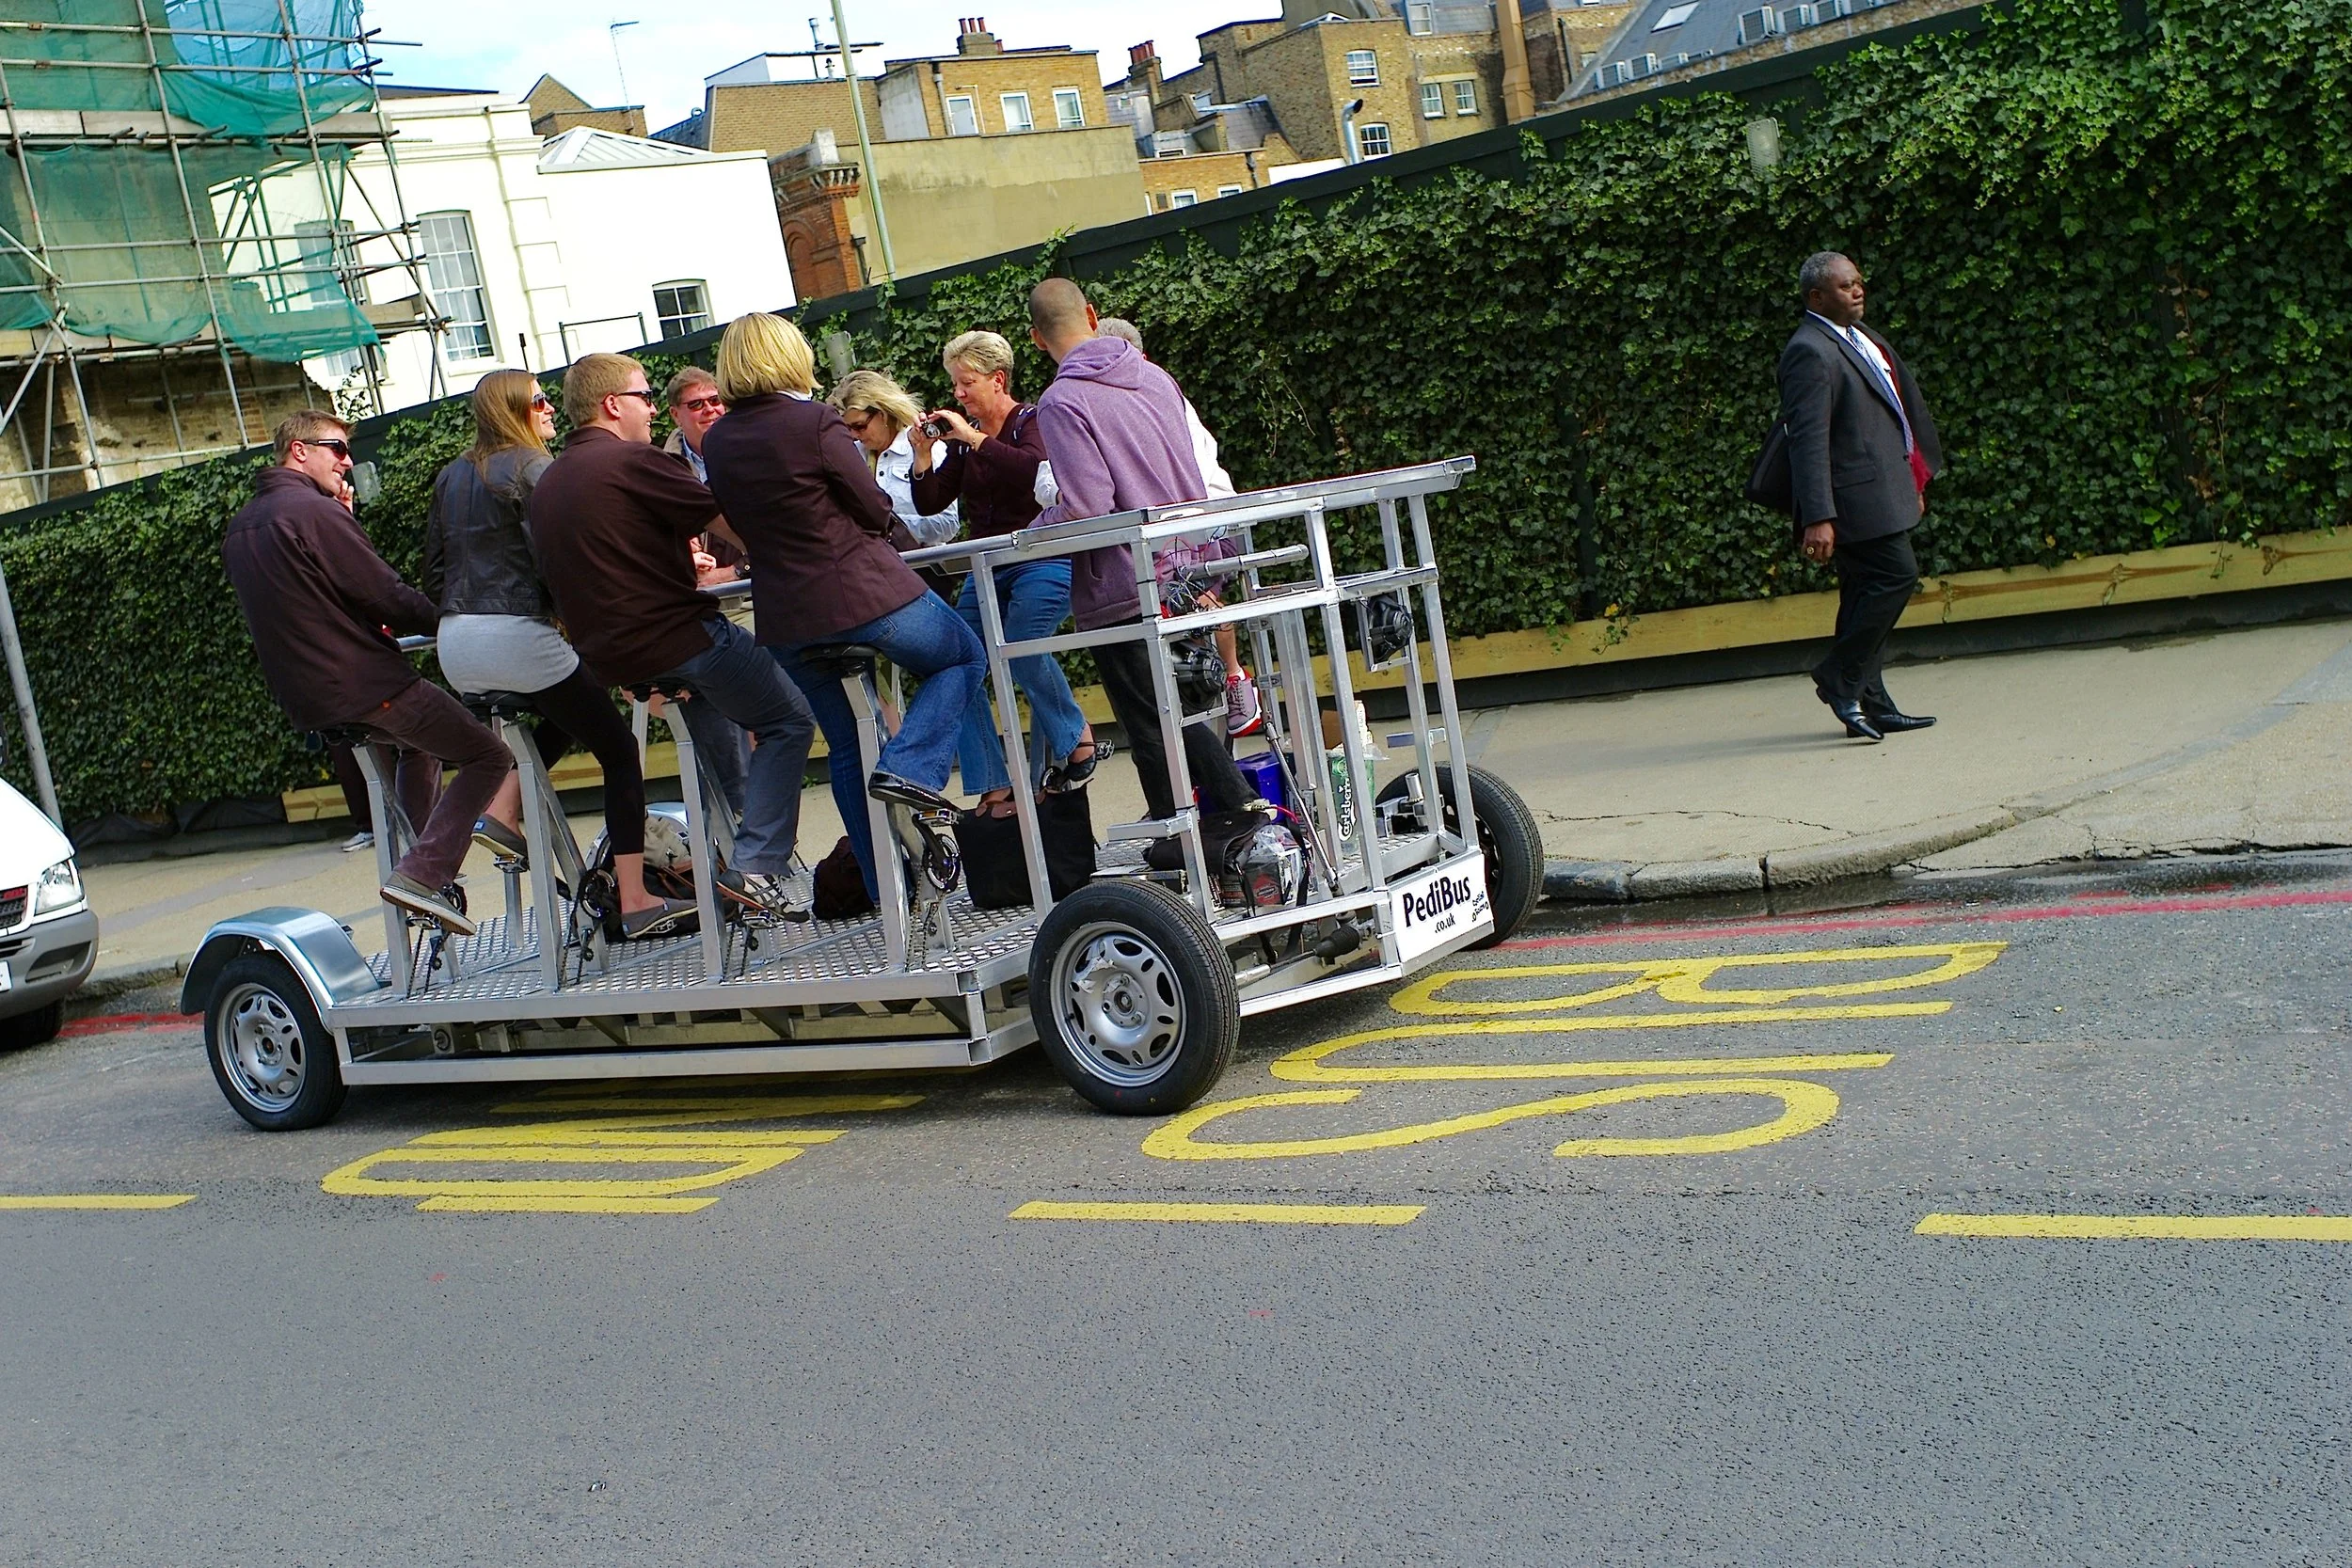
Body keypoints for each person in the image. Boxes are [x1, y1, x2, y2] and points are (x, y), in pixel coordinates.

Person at [699, 312, 989, 901]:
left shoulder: (720, 438)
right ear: (788, 356)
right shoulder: (814, 419)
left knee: (847, 743)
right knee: (962, 656)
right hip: (861, 592)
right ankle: (911, 770)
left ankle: (888, 893)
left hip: (784, 615)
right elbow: (868, 502)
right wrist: (882, 520)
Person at [528, 352, 817, 918]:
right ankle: (755, 864)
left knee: (714, 724)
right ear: (613, 405)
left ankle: (736, 863)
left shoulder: (550, 482)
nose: (653, 409)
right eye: (644, 397)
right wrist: (796, 557)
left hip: (615, 660)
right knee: (788, 719)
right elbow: (728, 520)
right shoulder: (632, 461)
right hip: (679, 638)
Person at [421, 370, 694, 941]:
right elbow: (556, 560)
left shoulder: (450, 476)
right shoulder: (535, 468)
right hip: (515, 634)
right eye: (539, 400)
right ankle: (638, 899)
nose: (550, 409)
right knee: (619, 751)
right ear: (517, 410)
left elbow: (434, 572)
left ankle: (502, 806)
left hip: (455, 644)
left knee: (568, 707)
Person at [222, 410, 510, 935]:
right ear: (299, 451)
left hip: (310, 696)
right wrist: (454, 619)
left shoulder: (246, 524)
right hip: (363, 682)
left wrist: (345, 517)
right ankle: (423, 873)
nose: (348, 461)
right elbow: (383, 595)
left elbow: (321, 592)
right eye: (336, 449)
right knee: (489, 754)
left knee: (419, 745)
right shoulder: (310, 512)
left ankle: (426, 871)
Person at [1025, 278, 1259, 822]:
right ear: (1091, 312)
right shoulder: (1155, 377)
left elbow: (1088, 507)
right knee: (1193, 704)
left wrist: (1031, 535)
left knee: (1153, 721)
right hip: (1191, 567)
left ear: (1037, 339)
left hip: (1127, 582)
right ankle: (1217, 833)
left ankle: (1227, 819)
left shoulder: (1062, 401)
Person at [906, 331, 1101, 818]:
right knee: (956, 662)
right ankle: (993, 782)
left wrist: (973, 438)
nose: (958, 394)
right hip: (988, 565)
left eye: (966, 383)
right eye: (954, 384)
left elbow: (1037, 473)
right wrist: (923, 456)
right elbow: (932, 502)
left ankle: (1077, 737)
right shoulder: (965, 442)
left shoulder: (1033, 421)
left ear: (998, 380)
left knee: (1021, 643)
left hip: (1043, 556)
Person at [1781, 250, 1944, 742]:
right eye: (1846, 285)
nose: (1858, 290)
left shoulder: (1858, 336)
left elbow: (1894, 414)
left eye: (1859, 282)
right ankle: (1839, 677)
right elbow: (1808, 440)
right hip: (1850, 501)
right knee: (1897, 575)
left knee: (1859, 594)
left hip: (1880, 492)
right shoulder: (1808, 350)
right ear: (1816, 297)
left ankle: (1872, 703)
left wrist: (1911, 480)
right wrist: (1818, 516)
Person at [1089, 315, 1261, 738]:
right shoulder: (1144, 394)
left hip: (1196, 516)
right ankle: (1231, 684)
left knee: (1194, 597)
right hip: (1194, 517)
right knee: (1191, 605)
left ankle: (1234, 678)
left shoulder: (1156, 397)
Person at [658, 363, 752, 811]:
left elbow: (774, 526)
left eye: (716, 401)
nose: (710, 410)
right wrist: (681, 564)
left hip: (750, 595)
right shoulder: (658, 467)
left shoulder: (747, 449)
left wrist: (733, 573)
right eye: (697, 404)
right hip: (690, 607)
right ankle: (731, 815)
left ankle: (747, 811)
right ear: (675, 414)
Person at [831, 369, 958, 546]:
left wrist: (893, 528)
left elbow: (949, 524)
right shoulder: (850, 455)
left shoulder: (924, 447)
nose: (854, 435)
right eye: (847, 429)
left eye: (859, 426)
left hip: (920, 566)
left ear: (882, 414)